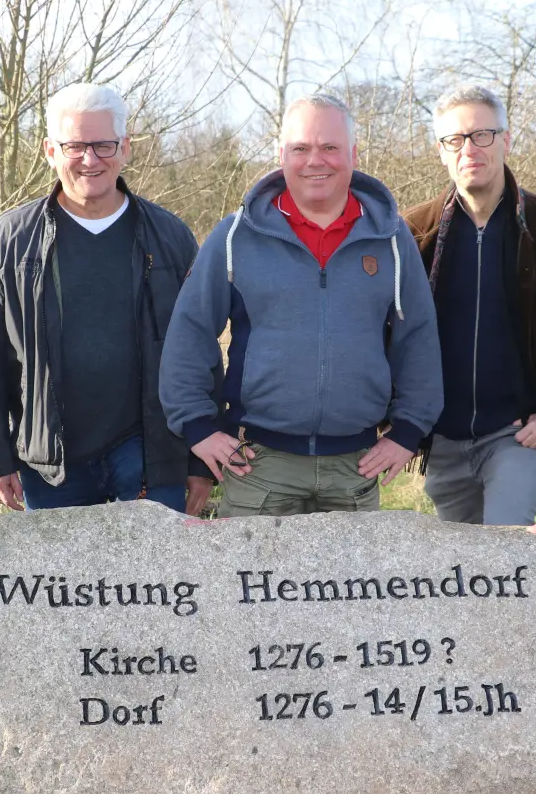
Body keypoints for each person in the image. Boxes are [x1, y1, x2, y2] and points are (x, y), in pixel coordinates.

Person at [160, 93, 442, 515]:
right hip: (258, 466)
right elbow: (190, 331)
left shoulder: (392, 239)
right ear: (282, 155)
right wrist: (198, 427)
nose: (316, 160)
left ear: (353, 154)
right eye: (301, 148)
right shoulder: (235, 237)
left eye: (330, 147)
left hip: (356, 467)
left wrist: (408, 432)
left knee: (354, 584)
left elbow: (417, 337)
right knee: (249, 582)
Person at [0, 83, 213, 515]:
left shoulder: (171, 237)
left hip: (149, 453)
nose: (90, 159)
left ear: (126, 148)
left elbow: (201, 353)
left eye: (103, 145)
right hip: (48, 463)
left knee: (154, 581)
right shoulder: (9, 241)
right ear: (49, 150)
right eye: (75, 146)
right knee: (57, 584)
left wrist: (198, 459)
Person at [403, 85, 536, 525]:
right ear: (442, 152)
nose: (469, 149)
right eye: (455, 140)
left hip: (518, 434)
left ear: (505, 141)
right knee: (461, 575)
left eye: (482, 135)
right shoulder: (413, 234)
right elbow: (385, 334)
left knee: (507, 553)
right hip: (443, 439)